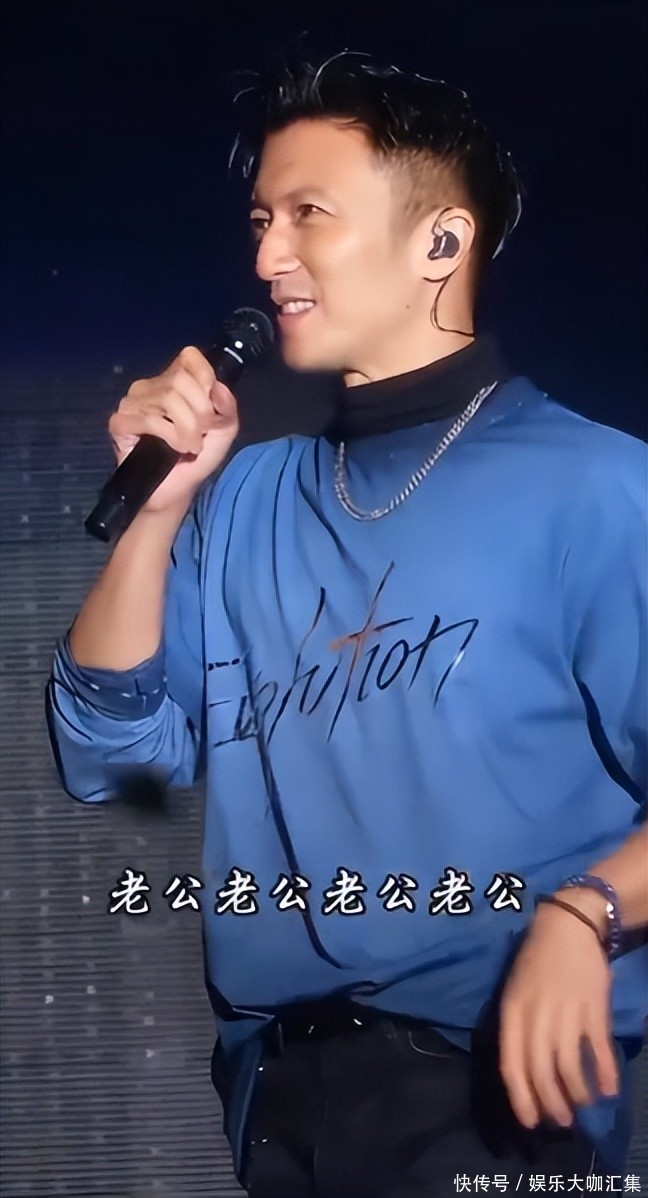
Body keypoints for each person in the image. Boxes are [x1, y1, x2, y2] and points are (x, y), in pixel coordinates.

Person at [45, 48, 647, 1198]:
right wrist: (156, 514)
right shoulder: (243, 500)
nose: (267, 256)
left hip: (495, 1101)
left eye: (309, 214)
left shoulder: (601, 489)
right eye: (261, 220)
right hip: (280, 1105)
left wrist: (588, 912)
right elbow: (108, 756)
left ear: (441, 243)